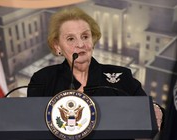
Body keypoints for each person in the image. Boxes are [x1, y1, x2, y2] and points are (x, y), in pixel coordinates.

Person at [27, 6, 163, 137]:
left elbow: (148, 110)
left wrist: (156, 110)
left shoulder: (121, 76)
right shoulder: (43, 79)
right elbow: (31, 125)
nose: (80, 44)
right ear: (57, 46)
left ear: (93, 40)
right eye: (71, 39)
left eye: (85, 36)